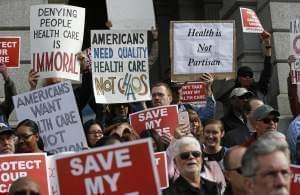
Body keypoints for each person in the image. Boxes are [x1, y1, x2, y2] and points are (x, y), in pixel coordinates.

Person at [216, 31, 273, 115]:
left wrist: (267, 44)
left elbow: (267, 72)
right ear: (238, 78)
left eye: (250, 75)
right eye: (244, 75)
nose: (247, 77)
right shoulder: (232, 94)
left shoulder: (260, 89)